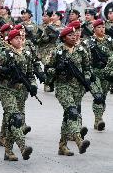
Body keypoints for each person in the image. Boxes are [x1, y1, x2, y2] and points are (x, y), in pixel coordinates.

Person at [0, 29, 34, 161]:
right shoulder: (4, 54)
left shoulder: (26, 53)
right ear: (10, 40)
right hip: (6, 89)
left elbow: (30, 73)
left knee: (13, 119)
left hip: (21, 91)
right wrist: (3, 70)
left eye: (21, 38)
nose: (19, 41)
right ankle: (23, 147)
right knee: (15, 118)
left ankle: (8, 151)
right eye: (16, 39)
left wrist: (33, 86)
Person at [46, 26, 91, 156]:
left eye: (75, 35)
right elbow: (48, 69)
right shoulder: (57, 51)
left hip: (78, 88)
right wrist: (58, 69)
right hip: (62, 87)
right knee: (72, 112)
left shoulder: (82, 50)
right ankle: (79, 141)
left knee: (68, 116)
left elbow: (87, 68)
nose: (74, 37)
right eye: (70, 35)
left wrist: (87, 78)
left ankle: (62, 146)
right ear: (64, 37)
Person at [84, 19, 113, 131]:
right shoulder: (89, 42)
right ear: (94, 29)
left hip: (107, 73)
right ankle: (98, 119)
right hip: (94, 73)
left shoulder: (109, 40)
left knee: (103, 97)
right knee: (98, 95)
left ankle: (98, 118)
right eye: (99, 27)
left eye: (103, 27)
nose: (102, 29)